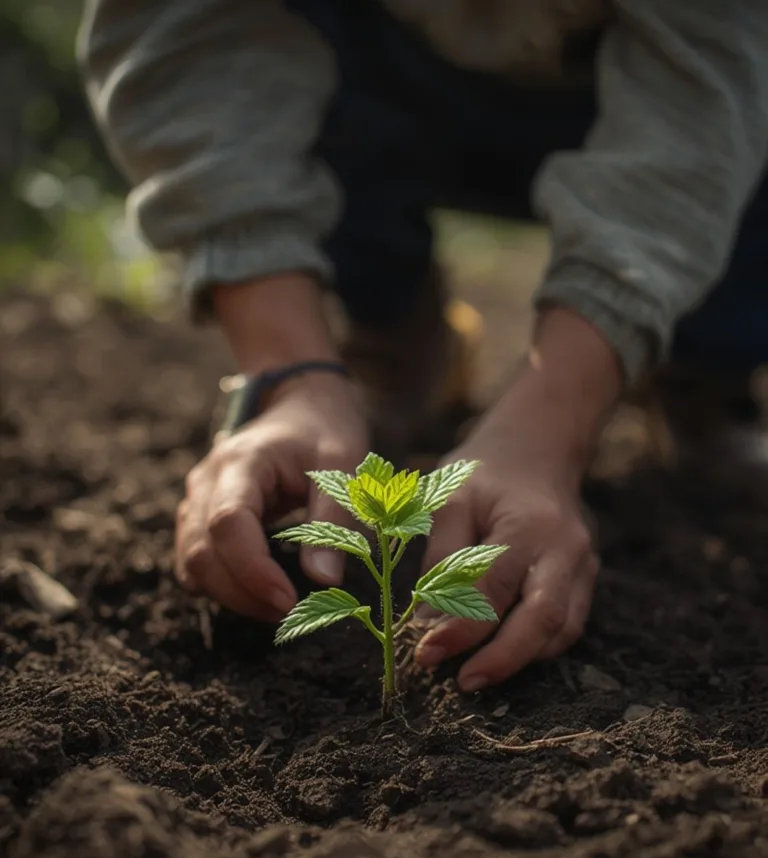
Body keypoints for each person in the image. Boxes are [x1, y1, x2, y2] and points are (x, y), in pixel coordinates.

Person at [78, 0, 768, 693]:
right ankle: (390, 328)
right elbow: (174, 31)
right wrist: (289, 372)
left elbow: (711, 76)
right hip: (374, 75)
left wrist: (550, 429)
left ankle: (703, 360)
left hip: (681, 105)